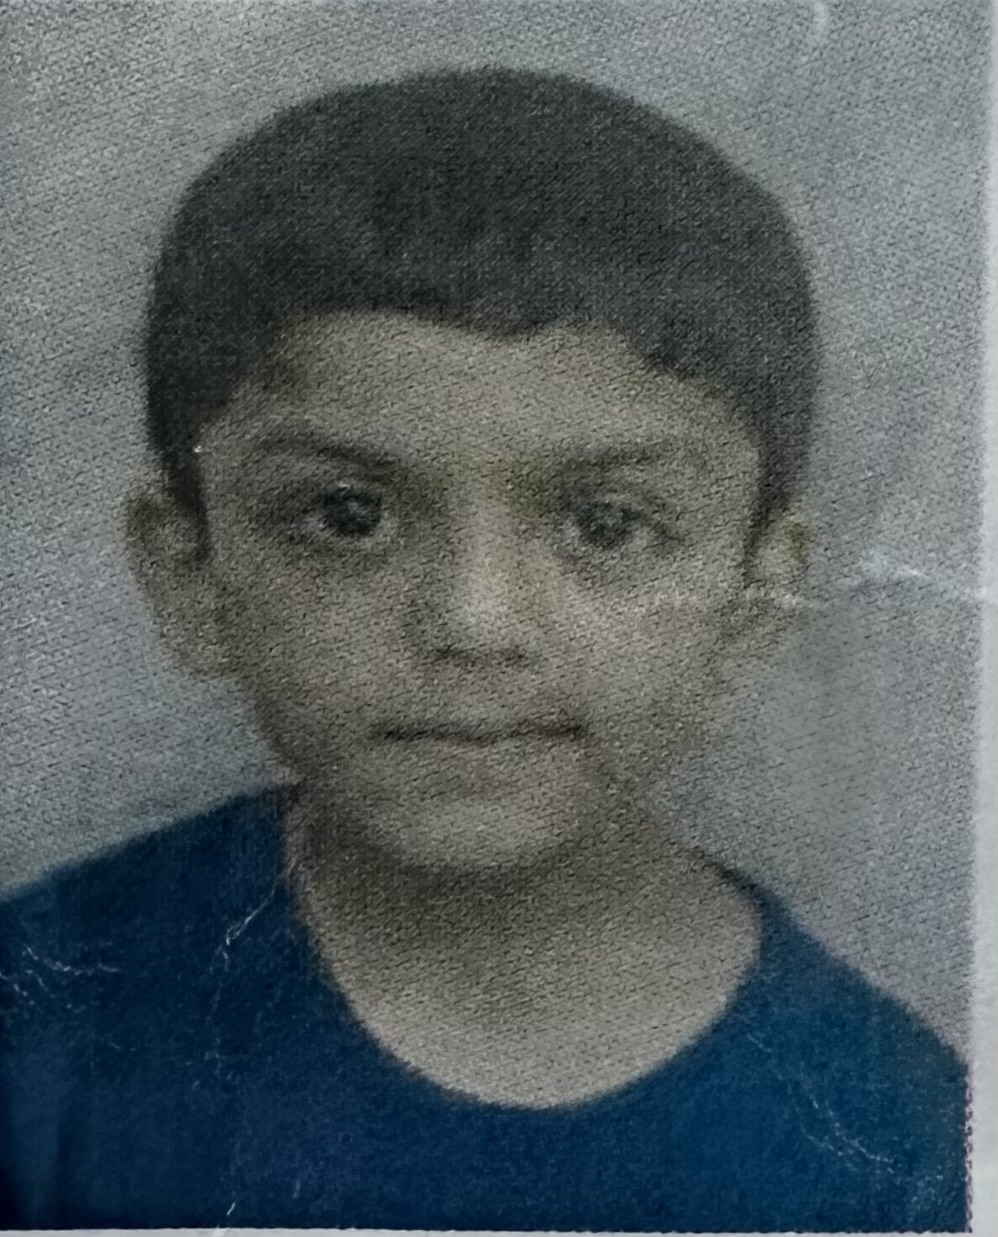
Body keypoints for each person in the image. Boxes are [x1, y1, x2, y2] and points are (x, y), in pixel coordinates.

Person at [0, 66, 967, 1230]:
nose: (473, 622)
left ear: (755, 598)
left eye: (605, 525)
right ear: (191, 572)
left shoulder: (898, 1138)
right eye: (348, 516)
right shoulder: (35, 1021)